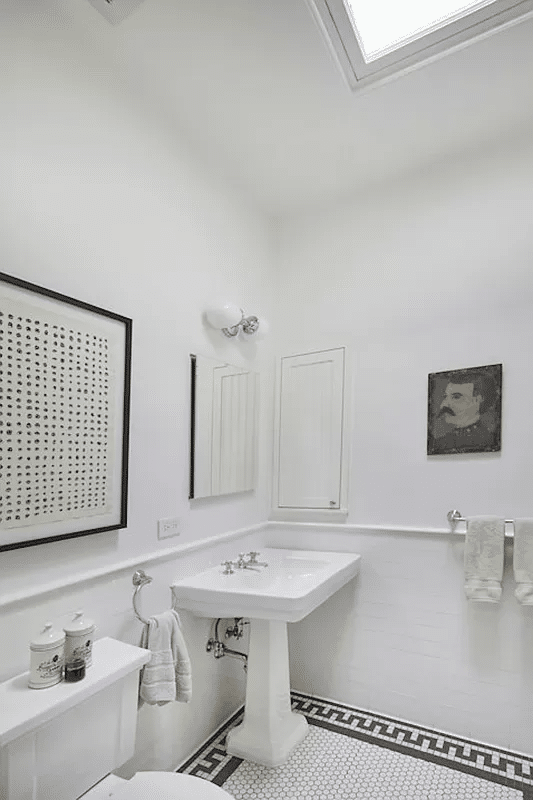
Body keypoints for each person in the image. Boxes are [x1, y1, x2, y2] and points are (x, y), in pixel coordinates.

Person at [429, 370, 500, 454]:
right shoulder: (439, 443)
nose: (444, 405)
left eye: (456, 397)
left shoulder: (488, 440)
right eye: (445, 397)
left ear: (478, 400)